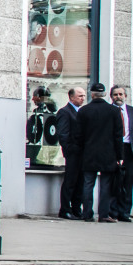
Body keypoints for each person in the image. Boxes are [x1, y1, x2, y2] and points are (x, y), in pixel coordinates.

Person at [73, 82, 123, 222]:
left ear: (92, 94)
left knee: (88, 184)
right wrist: (120, 156)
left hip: (89, 153)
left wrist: (82, 150)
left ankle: (87, 214)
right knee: (105, 186)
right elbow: (118, 135)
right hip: (108, 154)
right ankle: (104, 215)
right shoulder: (113, 111)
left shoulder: (84, 111)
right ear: (105, 94)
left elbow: (78, 135)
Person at [109, 85, 133, 222]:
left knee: (128, 182)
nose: (118, 97)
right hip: (114, 149)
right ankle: (113, 211)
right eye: (115, 94)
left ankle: (125, 212)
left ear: (125, 96)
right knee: (114, 181)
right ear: (111, 97)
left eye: (121, 94)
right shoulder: (108, 111)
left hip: (130, 150)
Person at [56, 87, 86, 219]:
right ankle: (65, 209)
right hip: (73, 152)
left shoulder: (83, 112)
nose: (82, 98)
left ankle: (76, 208)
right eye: (80, 96)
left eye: (84, 96)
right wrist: (69, 149)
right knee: (70, 181)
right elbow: (63, 133)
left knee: (81, 182)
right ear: (71, 97)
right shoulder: (65, 112)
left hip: (83, 153)